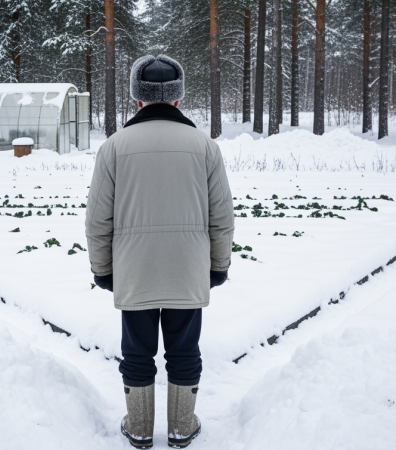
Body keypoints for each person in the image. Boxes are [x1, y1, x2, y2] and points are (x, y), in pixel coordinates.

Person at [85, 54, 235, 449]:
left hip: (134, 269)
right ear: (178, 98)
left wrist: (103, 269)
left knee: (137, 350)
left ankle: (138, 428)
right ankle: (182, 427)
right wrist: (217, 266)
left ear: (137, 98)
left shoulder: (113, 147)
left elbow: (97, 220)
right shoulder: (205, 146)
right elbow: (222, 216)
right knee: (184, 348)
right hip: (187, 267)